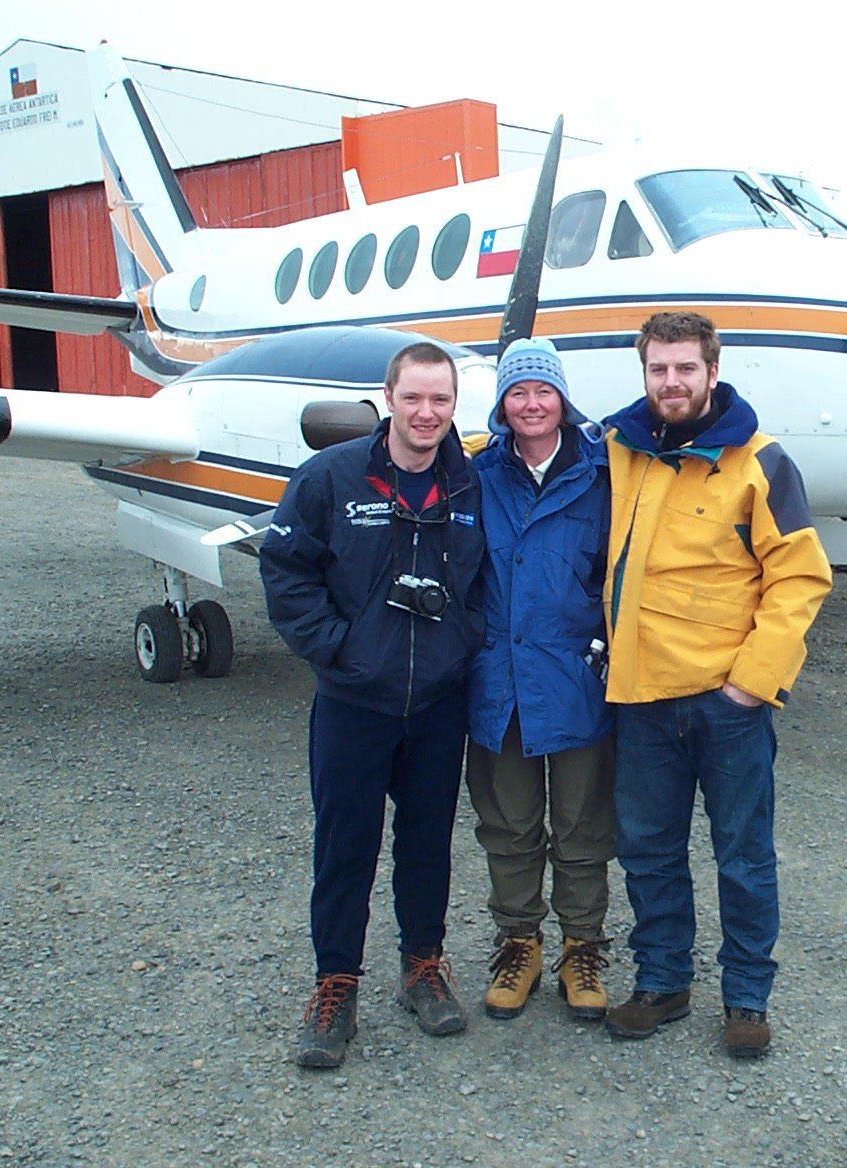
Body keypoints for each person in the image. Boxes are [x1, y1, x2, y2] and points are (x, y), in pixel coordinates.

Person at [599, 311, 832, 1059]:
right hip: (640, 699)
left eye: (685, 369)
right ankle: (663, 982)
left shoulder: (760, 463)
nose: (671, 382)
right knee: (648, 851)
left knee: (744, 856)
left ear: (711, 372)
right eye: (658, 369)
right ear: (644, 372)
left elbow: (800, 575)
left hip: (726, 705)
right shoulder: (617, 450)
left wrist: (752, 685)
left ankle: (747, 999)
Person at [260, 341, 486, 1070]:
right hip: (354, 701)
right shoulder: (330, 478)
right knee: (345, 845)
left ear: (455, 406)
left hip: (437, 704)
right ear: (388, 397)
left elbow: (484, 583)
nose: (427, 413)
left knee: (426, 844)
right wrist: (335, 647)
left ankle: (423, 965)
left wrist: (462, 642)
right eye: (414, 398)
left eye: (441, 400)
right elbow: (286, 568)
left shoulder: (469, 488)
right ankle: (336, 983)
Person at [465, 337, 615, 1023]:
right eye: (518, 392)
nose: (531, 404)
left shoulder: (602, 474)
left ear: (562, 399)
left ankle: (581, 946)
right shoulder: (475, 474)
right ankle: (519, 941)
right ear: (502, 403)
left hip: (575, 677)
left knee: (582, 823)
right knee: (509, 822)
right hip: (498, 681)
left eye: (542, 391)